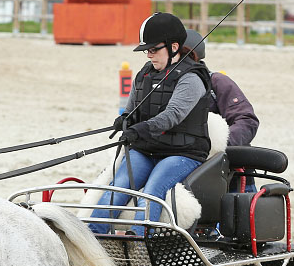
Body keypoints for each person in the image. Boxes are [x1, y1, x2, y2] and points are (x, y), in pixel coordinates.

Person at [90, 12, 212, 235]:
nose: (149, 55)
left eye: (154, 50)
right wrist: (125, 119)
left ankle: (138, 238)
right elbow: (132, 107)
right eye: (147, 50)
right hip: (147, 148)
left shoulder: (192, 78)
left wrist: (141, 129)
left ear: (174, 46)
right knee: (119, 186)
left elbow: (173, 115)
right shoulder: (144, 75)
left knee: (154, 186)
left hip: (183, 152)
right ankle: (91, 235)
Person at [183, 29, 259, 147]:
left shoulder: (217, 82)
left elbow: (246, 120)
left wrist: (219, 144)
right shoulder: (159, 82)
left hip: (213, 152)